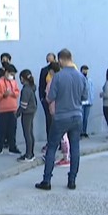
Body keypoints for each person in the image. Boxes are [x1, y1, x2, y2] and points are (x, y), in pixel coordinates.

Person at [35, 49, 88, 191]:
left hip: (61, 117)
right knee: (75, 147)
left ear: (61, 60)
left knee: (52, 147)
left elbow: (50, 97)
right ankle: (72, 180)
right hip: (77, 116)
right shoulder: (81, 77)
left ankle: (47, 180)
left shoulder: (58, 77)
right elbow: (85, 97)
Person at [0, 64, 21, 155]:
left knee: (12, 129)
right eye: (11, 74)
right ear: (6, 72)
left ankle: (12, 146)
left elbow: (17, 92)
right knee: (2, 129)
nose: (12, 76)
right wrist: (3, 95)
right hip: (3, 110)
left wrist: (13, 93)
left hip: (13, 108)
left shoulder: (13, 82)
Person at [44, 62, 69, 167]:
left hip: (56, 109)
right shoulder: (66, 79)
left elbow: (49, 97)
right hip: (66, 109)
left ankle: (63, 157)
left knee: (58, 135)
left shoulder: (53, 81)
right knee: (65, 134)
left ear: (51, 71)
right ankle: (66, 155)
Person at [0, 53, 13, 148]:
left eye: (7, 59)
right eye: (3, 60)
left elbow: (15, 90)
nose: (5, 61)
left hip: (11, 104)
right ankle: (1, 144)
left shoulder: (12, 74)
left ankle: (10, 142)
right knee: (2, 125)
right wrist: (2, 95)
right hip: (1, 104)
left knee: (11, 124)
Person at [16, 69, 37, 162]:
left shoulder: (25, 89)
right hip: (32, 111)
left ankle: (29, 154)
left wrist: (18, 113)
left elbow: (23, 104)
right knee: (30, 132)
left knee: (27, 133)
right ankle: (31, 152)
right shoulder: (32, 87)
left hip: (27, 113)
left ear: (22, 78)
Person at [38, 53, 56, 152]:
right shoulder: (45, 71)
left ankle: (61, 143)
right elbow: (41, 86)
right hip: (47, 100)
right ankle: (50, 141)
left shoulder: (60, 73)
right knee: (49, 121)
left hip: (57, 102)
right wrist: (42, 98)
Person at [80, 65, 94, 138]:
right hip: (81, 102)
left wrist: (92, 100)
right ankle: (80, 132)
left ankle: (84, 131)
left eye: (86, 70)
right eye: (84, 70)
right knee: (81, 118)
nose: (85, 72)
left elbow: (91, 91)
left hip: (88, 102)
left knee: (86, 118)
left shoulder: (89, 80)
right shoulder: (79, 79)